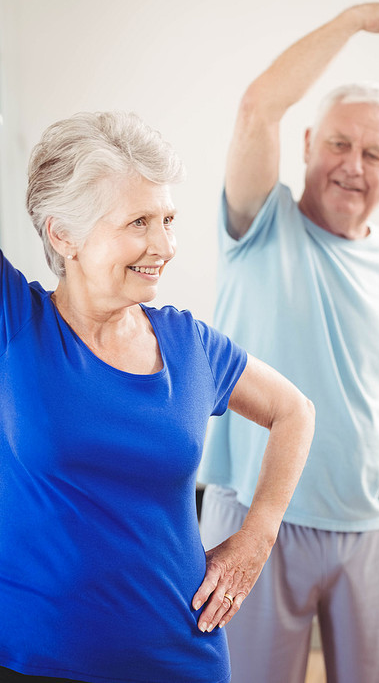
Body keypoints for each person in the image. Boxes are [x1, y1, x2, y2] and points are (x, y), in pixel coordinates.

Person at [198, 1, 379, 683]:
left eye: (375, 153)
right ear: (304, 147)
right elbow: (256, 107)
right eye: (338, 143)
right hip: (254, 520)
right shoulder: (259, 227)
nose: (354, 165)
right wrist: (354, 21)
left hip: (373, 522)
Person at [0, 110, 315, 683]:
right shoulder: (16, 324)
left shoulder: (189, 343)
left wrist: (257, 534)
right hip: (33, 659)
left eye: (168, 218)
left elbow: (295, 411)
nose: (164, 244)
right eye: (139, 221)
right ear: (62, 234)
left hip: (180, 658)